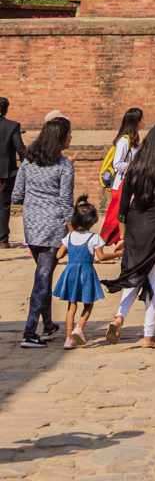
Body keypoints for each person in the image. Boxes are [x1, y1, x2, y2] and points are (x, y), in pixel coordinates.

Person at [104, 122, 155, 349]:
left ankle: (119, 317)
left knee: (134, 274)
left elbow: (122, 208)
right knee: (154, 280)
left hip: (134, 227)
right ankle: (148, 335)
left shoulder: (134, 167)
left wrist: (121, 238)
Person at [12, 114, 74, 346]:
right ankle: (30, 331)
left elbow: (17, 196)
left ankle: (48, 324)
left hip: (31, 226)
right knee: (43, 276)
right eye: (69, 133)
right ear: (59, 138)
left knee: (43, 273)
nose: (71, 137)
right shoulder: (64, 165)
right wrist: (74, 232)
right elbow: (66, 202)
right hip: (53, 227)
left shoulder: (28, 162)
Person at [53, 195, 118, 348]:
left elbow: (58, 255)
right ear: (92, 221)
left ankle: (68, 338)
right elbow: (101, 257)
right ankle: (79, 327)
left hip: (71, 272)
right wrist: (117, 254)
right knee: (88, 304)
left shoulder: (69, 236)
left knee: (72, 305)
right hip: (87, 273)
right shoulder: (94, 238)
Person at [100, 106, 143, 246]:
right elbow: (117, 163)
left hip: (130, 185)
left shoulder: (134, 140)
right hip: (122, 185)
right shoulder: (124, 141)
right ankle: (98, 249)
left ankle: (121, 246)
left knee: (126, 218)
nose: (144, 121)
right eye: (142, 118)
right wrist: (135, 168)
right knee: (114, 219)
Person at [0, 96, 26, 248]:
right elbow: (20, 149)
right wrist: (26, 167)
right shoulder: (12, 126)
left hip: (6, 171)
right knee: (3, 205)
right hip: (6, 172)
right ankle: (2, 239)